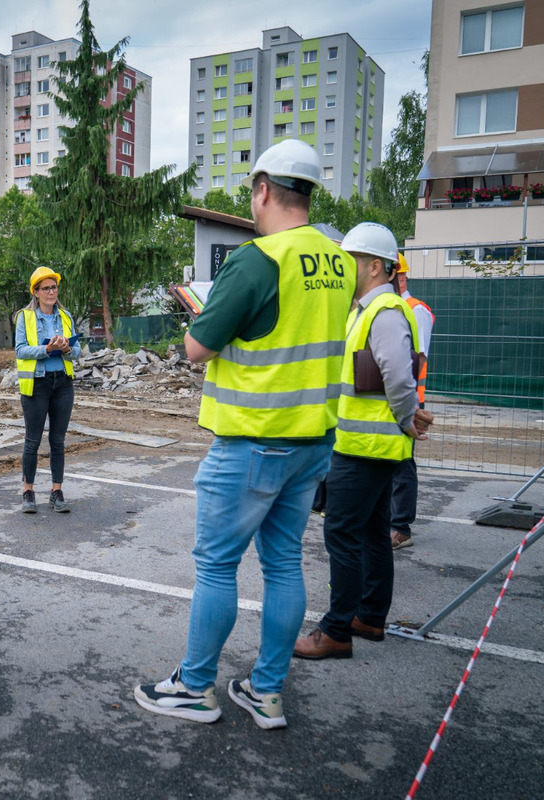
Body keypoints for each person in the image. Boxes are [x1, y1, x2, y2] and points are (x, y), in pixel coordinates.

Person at [134, 139, 355, 728]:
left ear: (262, 190)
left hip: (254, 440)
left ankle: (196, 687)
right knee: (284, 564)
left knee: (215, 566)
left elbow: (195, 349)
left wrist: (202, 315)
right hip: (314, 443)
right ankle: (266, 691)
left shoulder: (258, 260)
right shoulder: (339, 260)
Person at [294, 223, 433, 660]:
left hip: (364, 448)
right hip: (368, 446)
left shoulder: (385, 311)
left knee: (341, 532)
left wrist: (410, 417)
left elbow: (397, 373)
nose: (343, 266)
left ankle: (336, 630)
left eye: (351, 259)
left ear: (375, 266)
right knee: (373, 532)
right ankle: (370, 617)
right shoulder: (366, 309)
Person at [14, 266, 82, 513]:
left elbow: (77, 351)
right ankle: (28, 492)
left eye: (54, 287)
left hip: (62, 383)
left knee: (58, 441)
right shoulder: (25, 317)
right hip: (37, 383)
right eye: (46, 288)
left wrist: (65, 349)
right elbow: (20, 350)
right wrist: (46, 350)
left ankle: (56, 491)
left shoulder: (65, 315)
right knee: (32, 441)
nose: (51, 292)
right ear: (36, 292)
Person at [391, 253, 434, 551]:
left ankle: (401, 528)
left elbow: (415, 358)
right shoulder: (392, 307)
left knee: (403, 464)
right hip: (392, 399)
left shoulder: (415, 310)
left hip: (407, 400)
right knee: (392, 462)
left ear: (400, 276)